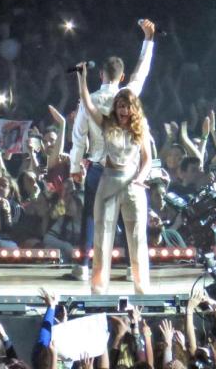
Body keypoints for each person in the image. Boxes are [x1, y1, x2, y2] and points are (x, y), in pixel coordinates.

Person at [66, 19, 155, 282]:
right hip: (126, 170)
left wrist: (73, 167)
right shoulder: (129, 94)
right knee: (128, 222)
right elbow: (142, 72)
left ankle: (83, 265)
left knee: (93, 219)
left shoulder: (93, 100)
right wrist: (148, 41)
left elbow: (79, 135)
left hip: (99, 167)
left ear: (101, 75)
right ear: (121, 77)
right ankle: (130, 267)